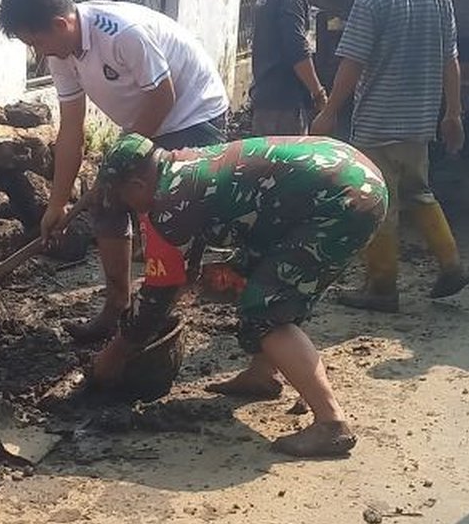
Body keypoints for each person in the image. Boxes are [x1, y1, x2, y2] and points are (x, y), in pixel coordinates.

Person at [88, 133, 388, 457]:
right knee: (262, 280)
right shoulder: (185, 164)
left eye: (122, 198)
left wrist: (116, 353)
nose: (128, 208)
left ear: (136, 185)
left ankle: (331, 423)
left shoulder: (169, 199)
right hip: (348, 176)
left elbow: (159, 295)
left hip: (339, 202)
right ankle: (262, 375)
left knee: (263, 311)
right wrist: (229, 268)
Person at [0, 0, 230, 345]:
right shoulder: (63, 53)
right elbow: (71, 128)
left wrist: (127, 155)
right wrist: (57, 204)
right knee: (106, 200)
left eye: (36, 42)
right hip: (147, 123)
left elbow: (163, 96)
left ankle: (162, 313)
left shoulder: (122, 34)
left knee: (169, 214)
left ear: (60, 24)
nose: (39, 52)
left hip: (193, 117)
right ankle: (117, 304)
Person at [311, 0, 469, 313]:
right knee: (419, 191)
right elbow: (451, 59)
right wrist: (453, 113)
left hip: (378, 120)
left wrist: (329, 112)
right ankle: (451, 263)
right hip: (419, 119)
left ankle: (381, 287)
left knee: (378, 200)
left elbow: (352, 64)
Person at [250, 0, 328, 135]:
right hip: (285, 106)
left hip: (265, 100)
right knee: (288, 167)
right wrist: (318, 93)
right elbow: (297, 49)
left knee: (265, 167)